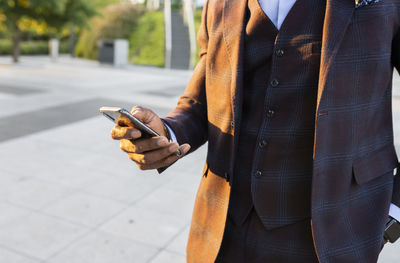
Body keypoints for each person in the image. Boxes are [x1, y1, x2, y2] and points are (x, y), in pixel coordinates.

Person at [111, 0, 400, 262]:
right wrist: (166, 133)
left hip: (332, 233)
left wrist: (393, 217)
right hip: (221, 232)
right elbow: (203, 99)